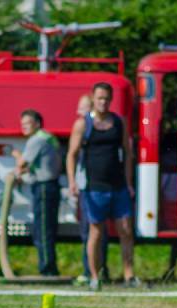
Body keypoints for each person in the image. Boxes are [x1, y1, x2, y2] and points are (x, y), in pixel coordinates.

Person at [66, 82, 139, 290]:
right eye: (99, 98)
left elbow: (127, 153)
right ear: (93, 98)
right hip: (93, 187)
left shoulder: (119, 122)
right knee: (96, 232)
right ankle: (95, 277)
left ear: (111, 99)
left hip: (118, 185)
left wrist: (129, 183)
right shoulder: (83, 124)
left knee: (125, 230)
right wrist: (72, 181)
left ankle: (129, 275)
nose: (103, 102)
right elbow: (71, 154)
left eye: (107, 98)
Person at [11, 109, 62, 276]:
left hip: (44, 188)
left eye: (28, 123)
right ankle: (49, 267)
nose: (24, 127)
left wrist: (17, 155)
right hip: (51, 186)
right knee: (48, 229)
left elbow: (23, 163)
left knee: (42, 230)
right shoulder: (48, 137)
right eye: (22, 124)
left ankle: (47, 269)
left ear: (37, 124)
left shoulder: (37, 139)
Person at [73, 94, 108, 285]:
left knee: (93, 232)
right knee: (89, 232)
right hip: (85, 187)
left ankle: (93, 271)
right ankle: (92, 270)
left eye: (83, 108)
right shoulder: (83, 129)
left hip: (93, 187)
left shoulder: (93, 129)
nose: (80, 113)